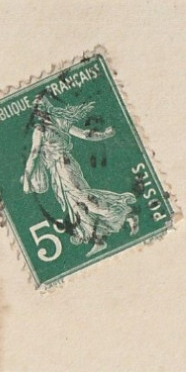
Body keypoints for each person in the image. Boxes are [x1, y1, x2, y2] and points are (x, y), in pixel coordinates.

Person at [21, 95, 139, 257]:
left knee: (83, 198)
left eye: (38, 108)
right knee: (75, 203)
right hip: (64, 167)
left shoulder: (41, 130)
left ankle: (125, 214)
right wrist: (104, 135)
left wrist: (27, 179)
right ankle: (98, 239)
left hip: (62, 167)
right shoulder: (59, 122)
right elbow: (85, 134)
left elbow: (34, 155)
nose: (38, 112)